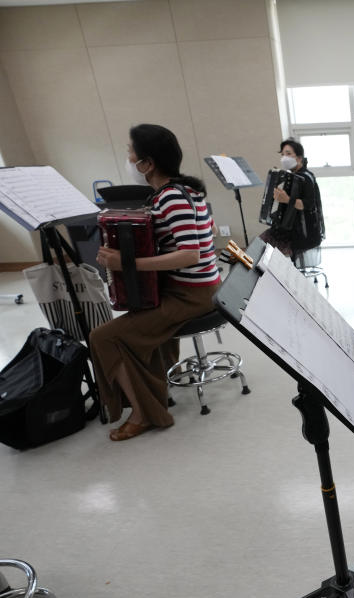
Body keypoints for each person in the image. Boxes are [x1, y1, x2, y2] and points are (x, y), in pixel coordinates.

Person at [92, 124, 221, 441]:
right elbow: (210, 234)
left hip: (192, 295)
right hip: (194, 288)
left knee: (103, 338)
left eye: (130, 152)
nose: (128, 159)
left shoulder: (172, 198)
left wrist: (125, 263)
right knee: (135, 325)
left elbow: (190, 254)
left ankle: (144, 414)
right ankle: (151, 395)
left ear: (148, 163)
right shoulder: (182, 192)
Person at [259, 138, 324, 258]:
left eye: (288, 154)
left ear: (299, 158)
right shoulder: (291, 176)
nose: (284, 157)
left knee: (259, 251)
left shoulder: (306, 178)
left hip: (303, 234)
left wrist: (287, 200)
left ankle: (276, 273)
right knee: (259, 248)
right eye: (283, 154)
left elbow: (309, 204)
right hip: (290, 231)